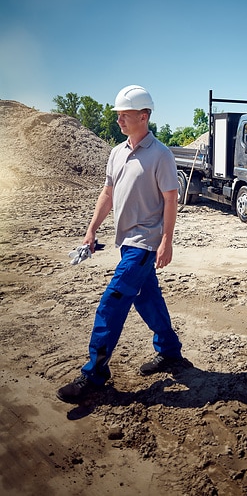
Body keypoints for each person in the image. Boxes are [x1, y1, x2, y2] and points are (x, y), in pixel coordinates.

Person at [57, 85, 189, 403]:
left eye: (124, 115)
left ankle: (94, 375)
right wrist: (91, 230)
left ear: (143, 116)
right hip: (126, 243)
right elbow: (107, 194)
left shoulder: (161, 155)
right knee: (147, 299)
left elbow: (171, 200)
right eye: (118, 115)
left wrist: (166, 242)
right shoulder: (117, 153)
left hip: (144, 244)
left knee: (112, 303)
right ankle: (170, 352)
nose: (119, 120)